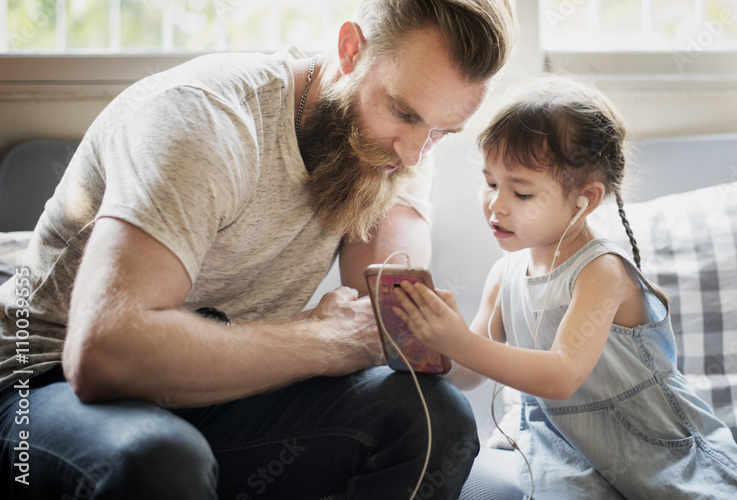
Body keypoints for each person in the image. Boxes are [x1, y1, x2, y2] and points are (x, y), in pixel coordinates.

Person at [0, 1, 515, 498]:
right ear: (350, 49)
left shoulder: (398, 147)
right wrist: (326, 341)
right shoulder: (206, 120)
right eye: (402, 112)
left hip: (226, 389)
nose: (413, 154)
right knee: (161, 459)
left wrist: (433, 330)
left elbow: (387, 318)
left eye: (443, 132)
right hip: (43, 388)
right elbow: (104, 355)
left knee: (434, 418)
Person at [391, 76, 737, 498]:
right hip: (566, 455)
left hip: (657, 448)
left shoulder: (601, 270)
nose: (496, 204)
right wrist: (431, 341)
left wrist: (460, 341)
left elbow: (561, 376)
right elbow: (469, 372)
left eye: (520, 192)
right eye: (490, 183)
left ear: (585, 200)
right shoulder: (504, 274)